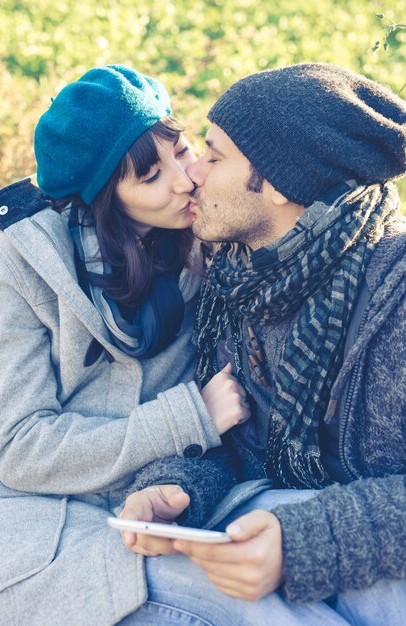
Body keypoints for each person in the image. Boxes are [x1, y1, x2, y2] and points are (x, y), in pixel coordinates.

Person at [119, 63, 406, 625]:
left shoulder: (394, 296)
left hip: (383, 575)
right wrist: (174, 490)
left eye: (215, 155)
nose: (193, 173)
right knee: (125, 583)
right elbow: (241, 444)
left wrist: (305, 542)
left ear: (279, 182)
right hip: (293, 542)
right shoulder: (237, 280)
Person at [0, 65, 250, 624]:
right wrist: (189, 417)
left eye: (180, 151)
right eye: (151, 175)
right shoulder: (22, 266)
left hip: (164, 504)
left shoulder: (203, 242)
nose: (184, 180)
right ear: (106, 196)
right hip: (43, 524)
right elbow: (19, 448)